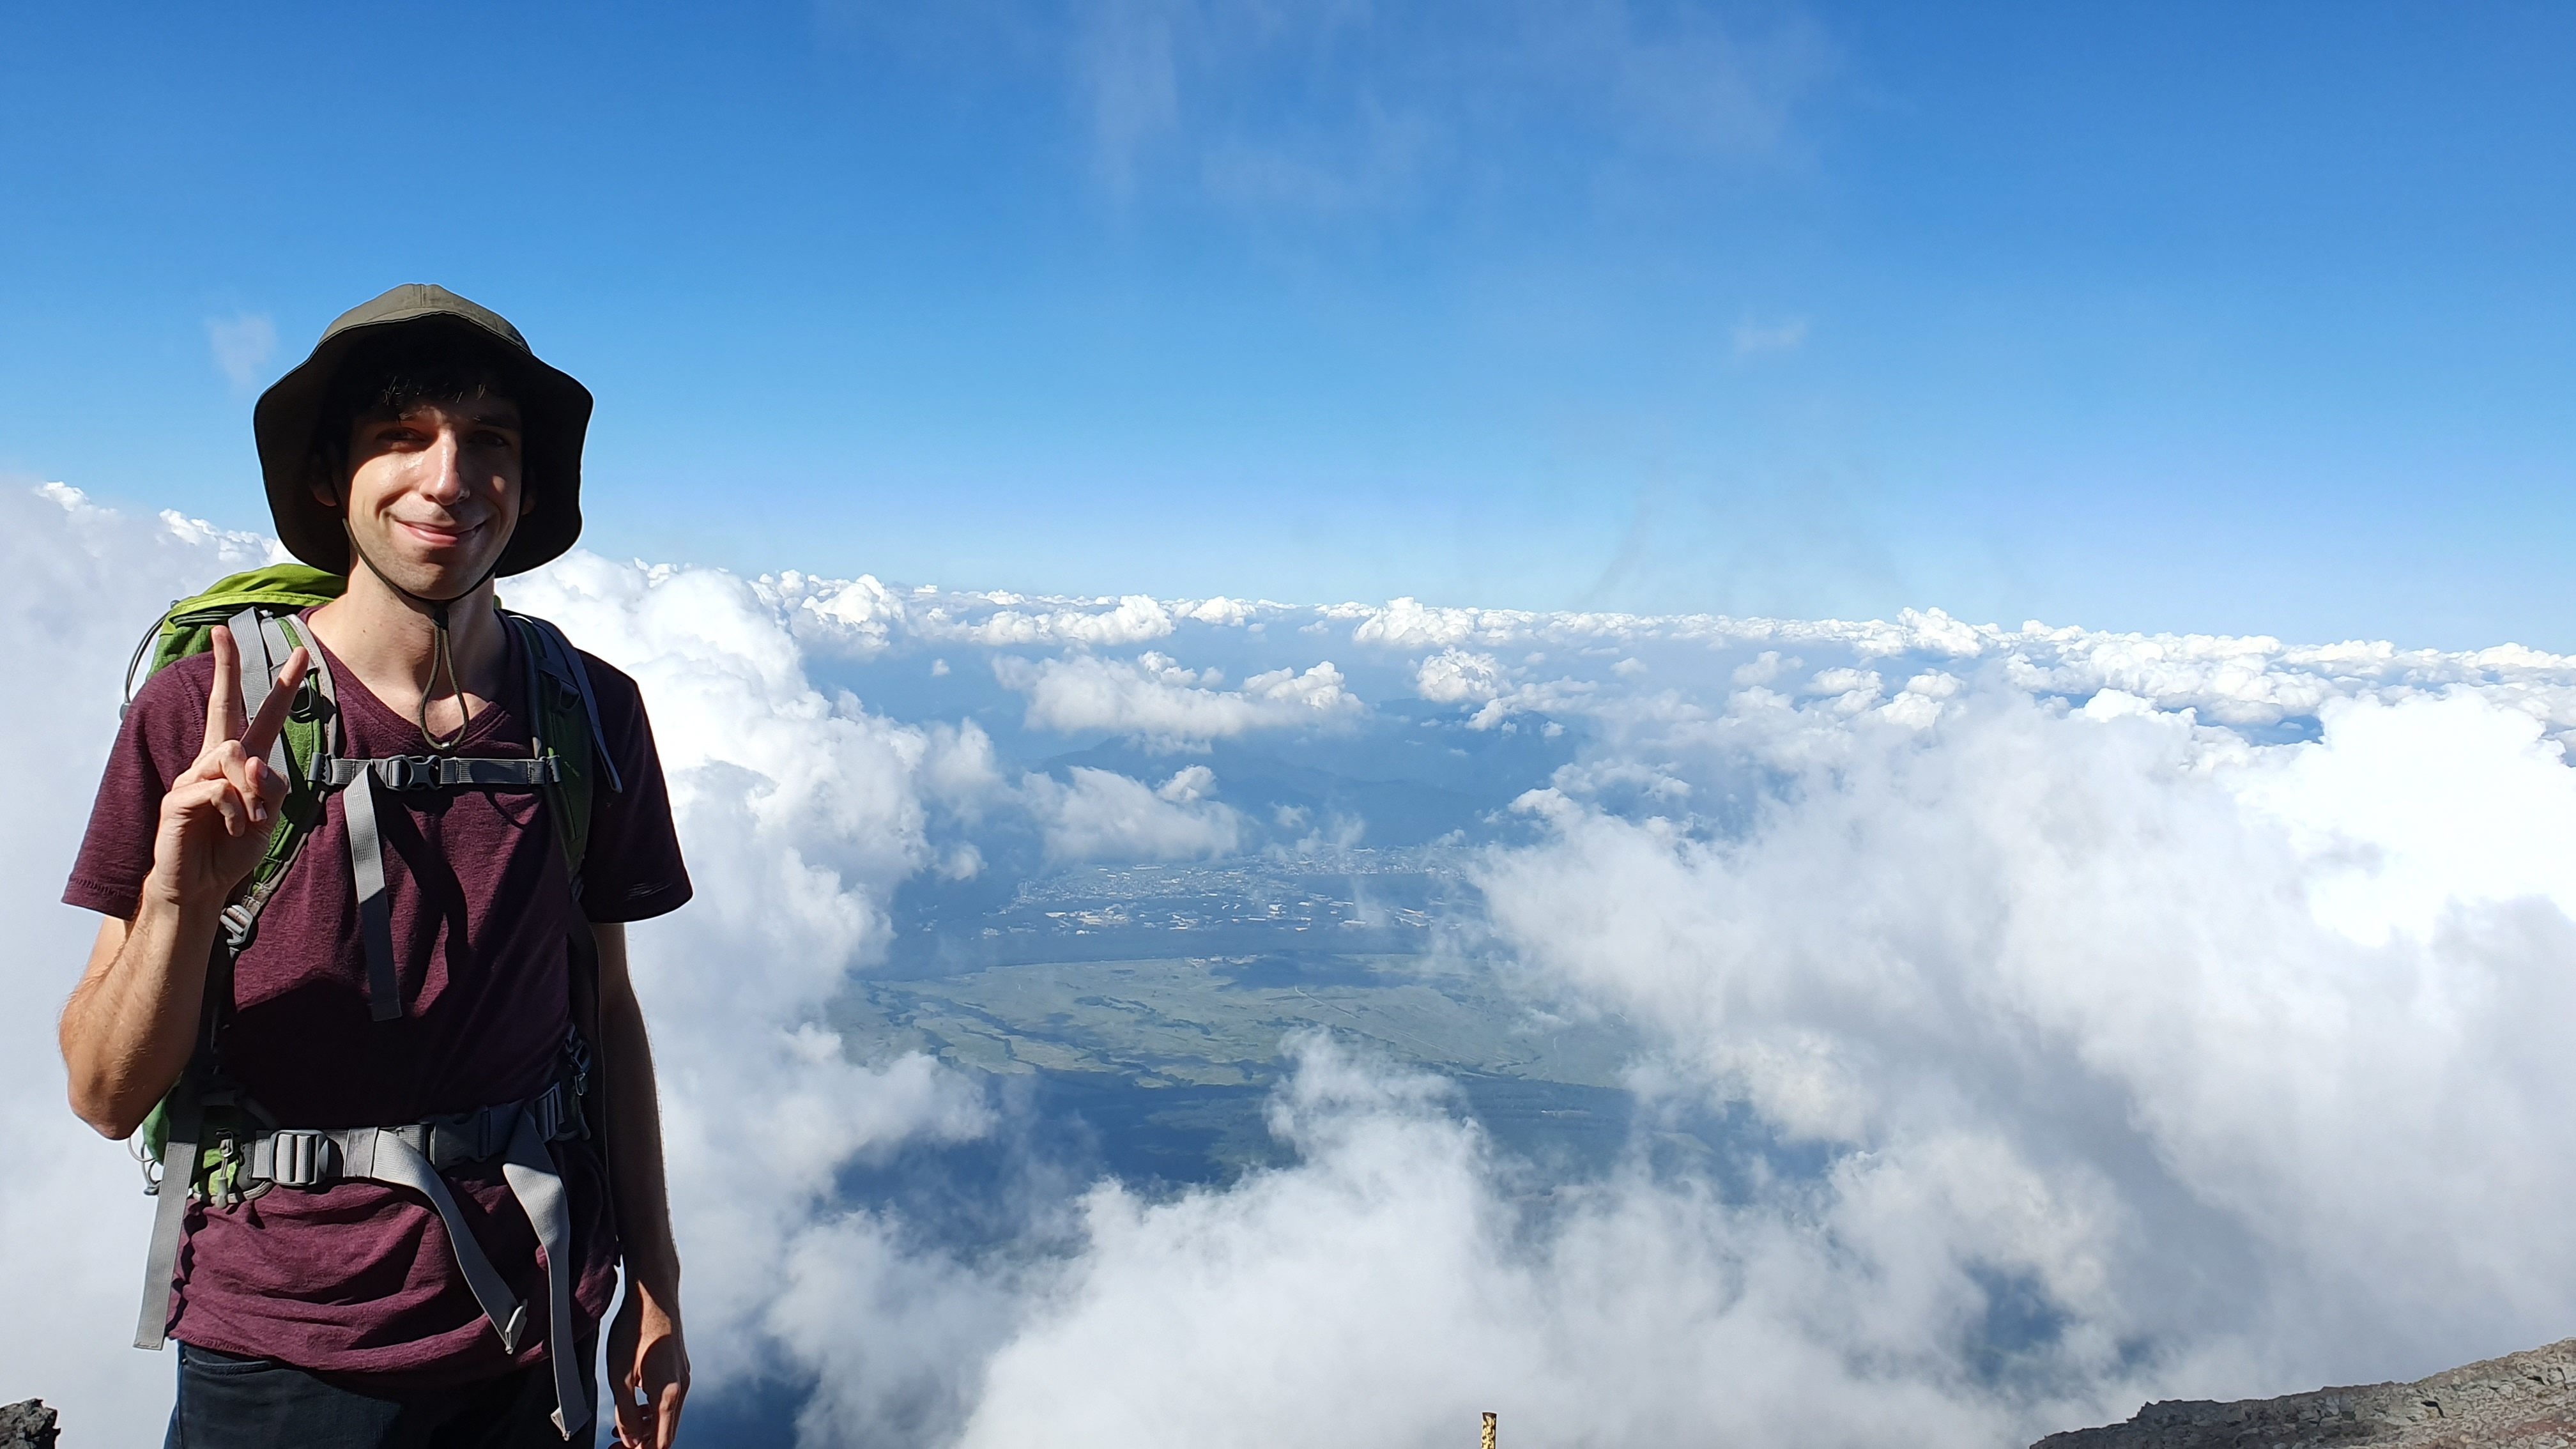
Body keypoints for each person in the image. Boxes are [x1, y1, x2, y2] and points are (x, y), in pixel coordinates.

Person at [57, 284, 691, 1448]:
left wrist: (654, 1273)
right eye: (401, 436)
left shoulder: (589, 713)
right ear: (327, 480)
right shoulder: (203, 713)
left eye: (487, 440)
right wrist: (182, 898)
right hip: (285, 1338)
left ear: (528, 484)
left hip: (536, 1323)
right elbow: (103, 1093)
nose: (447, 476)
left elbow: (607, 1009)